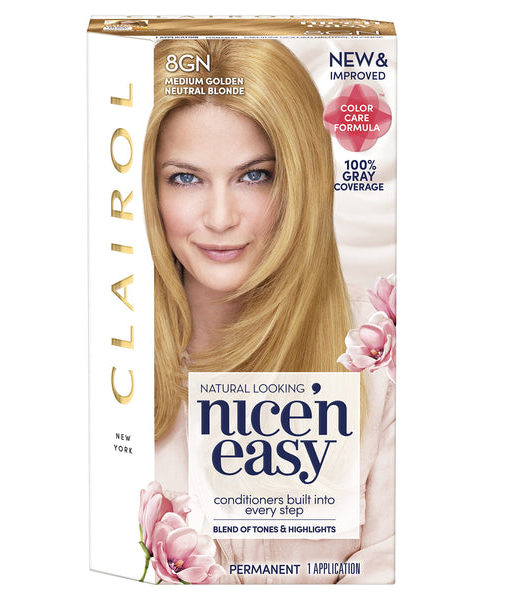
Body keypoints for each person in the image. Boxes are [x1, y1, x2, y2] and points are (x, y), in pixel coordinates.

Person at [142, 38, 394, 584]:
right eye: (185, 178)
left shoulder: (382, 352)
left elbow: (396, 569)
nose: (220, 217)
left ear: (300, 179)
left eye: (254, 175)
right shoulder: (112, 360)